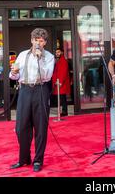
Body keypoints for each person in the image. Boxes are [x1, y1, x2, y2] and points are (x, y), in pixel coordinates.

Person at [9, 28, 55, 172]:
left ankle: (38, 160)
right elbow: (13, 77)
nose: (38, 43)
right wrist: (13, 72)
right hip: (24, 90)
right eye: (36, 40)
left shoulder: (49, 57)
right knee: (20, 128)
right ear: (31, 40)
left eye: (41, 41)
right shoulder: (22, 55)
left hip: (41, 90)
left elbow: (47, 76)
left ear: (45, 43)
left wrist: (40, 58)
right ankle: (24, 159)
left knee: (40, 128)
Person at [51, 48, 71, 116]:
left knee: (62, 98)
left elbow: (63, 72)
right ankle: (63, 111)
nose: (57, 53)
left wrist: (60, 82)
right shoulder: (58, 60)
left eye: (58, 52)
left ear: (62, 52)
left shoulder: (63, 61)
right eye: (56, 52)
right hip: (59, 82)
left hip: (61, 83)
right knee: (62, 98)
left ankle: (65, 112)